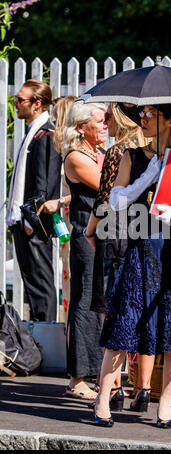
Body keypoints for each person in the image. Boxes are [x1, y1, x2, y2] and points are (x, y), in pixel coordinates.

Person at [93, 102, 171, 428]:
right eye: (142, 113)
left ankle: (165, 404)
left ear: (170, 120)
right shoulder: (133, 156)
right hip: (139, 252)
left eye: (150, 114)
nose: (143, 118)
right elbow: (114, 203)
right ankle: (103, 398)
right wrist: (146, 178)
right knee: (123, 326)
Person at [85, 102, 149, 406]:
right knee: (140, 314)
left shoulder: (118, 153)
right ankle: (142, 388)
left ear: (121, 118)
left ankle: (112, 389)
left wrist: (88, 230)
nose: (105, 122)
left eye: (109, 116)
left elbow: (104, 201)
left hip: (115, 236)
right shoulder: (154, 153)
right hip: (144, 236)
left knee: (111, 313)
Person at [61, 101, 107, 399]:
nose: (105, 126)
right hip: (84, 235)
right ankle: (78, 378)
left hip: (103, 233)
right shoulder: (76, 157)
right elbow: (109, 186)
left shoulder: (100, 153)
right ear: (82, 128)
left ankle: (100, 373)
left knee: (101, 301)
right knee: (85, 299)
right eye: (100, 122)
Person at [6, 79, 62, 322]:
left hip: (34, 223)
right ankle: (39, 338)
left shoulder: (45, 134)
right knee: (32, 286)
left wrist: (32, 222)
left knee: (41, 285)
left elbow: (45, 182)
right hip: (24, 221)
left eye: (20, 100)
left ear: (37, 104)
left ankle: (48, 340)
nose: (15, 104)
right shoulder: (33, 132)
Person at [35, 95, 76, 323]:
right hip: (66, 229)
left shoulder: (75, 154)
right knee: (67, 278)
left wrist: (59, 202)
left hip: (74, 225)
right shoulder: (64, 149)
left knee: (72, 280)